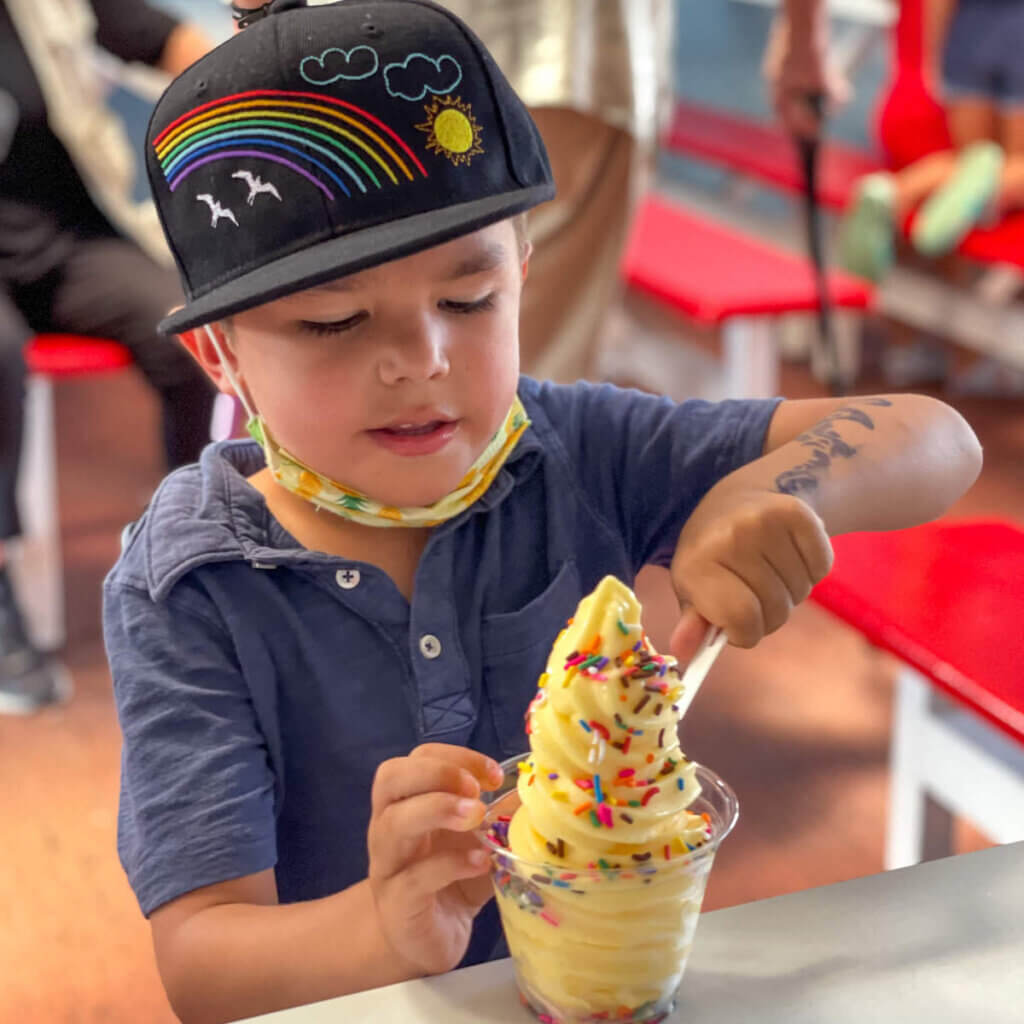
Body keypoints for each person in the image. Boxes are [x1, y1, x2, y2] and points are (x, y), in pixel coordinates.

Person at [102, 2, 982, 1021]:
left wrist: (773, 486)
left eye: (469, 298)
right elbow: (202, 966)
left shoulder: (575, 451)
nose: (422, 360)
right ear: (219, 354)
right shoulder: (190, 584)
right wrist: (382, 926)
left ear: (523, 271)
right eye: (335, 322)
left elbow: (935, 438)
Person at [0, 0, 216, 715]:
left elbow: (164, 38)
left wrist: (261, 88)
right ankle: (2, 594)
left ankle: (190, 547)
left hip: (65, 242)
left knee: (187, 330)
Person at [839, 0, 1024, 281]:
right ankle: (988, 195)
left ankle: (898, 192)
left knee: (976, 158)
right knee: (1016, 162)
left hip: (967, 34)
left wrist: (934, 56)